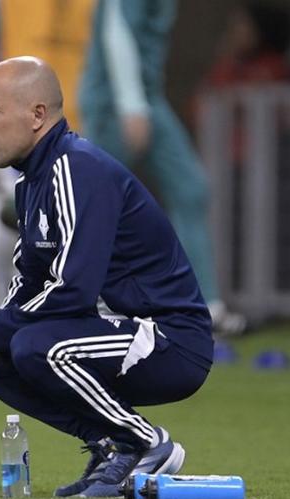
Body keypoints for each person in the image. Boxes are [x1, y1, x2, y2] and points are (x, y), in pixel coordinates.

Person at [0, 57, 213, 498]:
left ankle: (146, 443)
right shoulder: (33, 182)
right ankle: (110, 446)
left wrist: (2, 328)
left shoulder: (76, 169)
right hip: (118, 332)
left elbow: (72, 289)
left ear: (37, 115)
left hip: (172, 339)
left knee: (35, 346)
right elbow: (29, 279)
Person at [0, 0, 95, 374]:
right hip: (78, 118)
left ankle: (2, 313)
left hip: (20, 122)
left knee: (11, 209)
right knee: (74, 220)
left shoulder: (10, 5)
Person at [81, 0, 246, 335]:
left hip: (145, 97)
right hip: (117, 102)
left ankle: (204, 308)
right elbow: (118, 30)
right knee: (89, 203)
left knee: (190, 189)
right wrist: (131, 104)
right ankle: (64, 296)